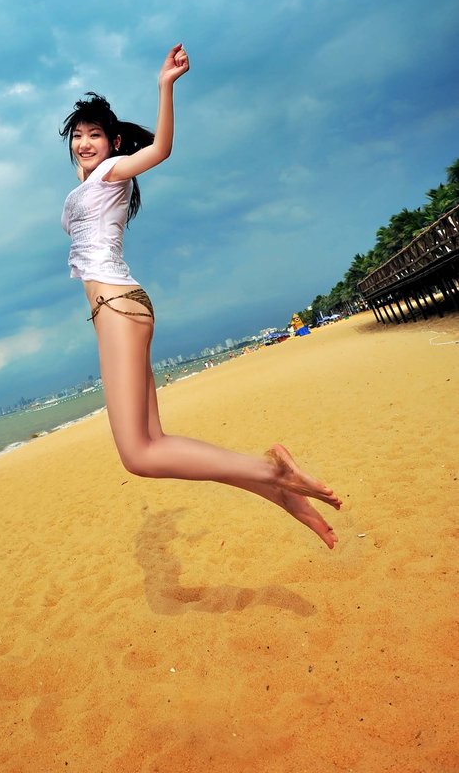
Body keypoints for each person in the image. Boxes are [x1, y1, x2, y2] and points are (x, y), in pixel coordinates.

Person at [60, 43, 341, 548]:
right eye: (77, 136)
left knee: (138, 456)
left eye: (94, 135)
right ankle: (282, 494)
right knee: (157, 444)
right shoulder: (88, 187)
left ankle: (273, 471)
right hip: (124, 309)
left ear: (113, 142)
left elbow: (159, 151)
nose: (84, 143)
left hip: (117, 310)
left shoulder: (110, 174)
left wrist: (165, 87)